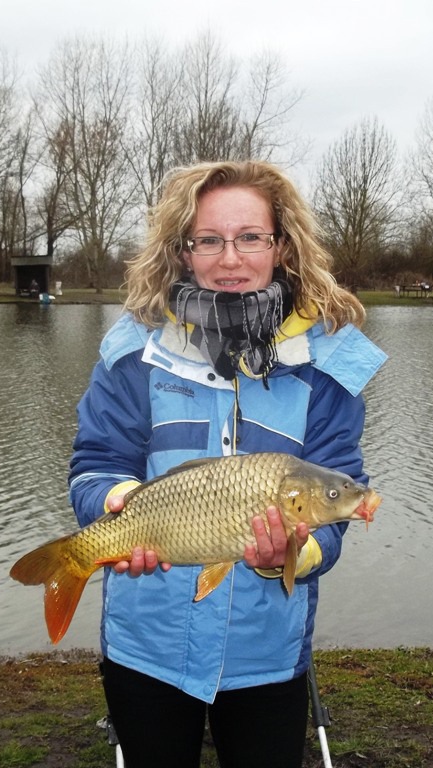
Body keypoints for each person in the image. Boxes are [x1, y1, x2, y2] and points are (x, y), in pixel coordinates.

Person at [68, 160, 387, 768]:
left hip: (267, 651)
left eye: (250, 238)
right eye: (209, 240)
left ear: (281, 245)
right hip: (147, 643)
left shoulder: (329, 367)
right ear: (183, 252)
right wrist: (115, 505)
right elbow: (94, 463)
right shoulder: (132, 352)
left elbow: (338, 510)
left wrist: (292, 555)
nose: (230, 258)